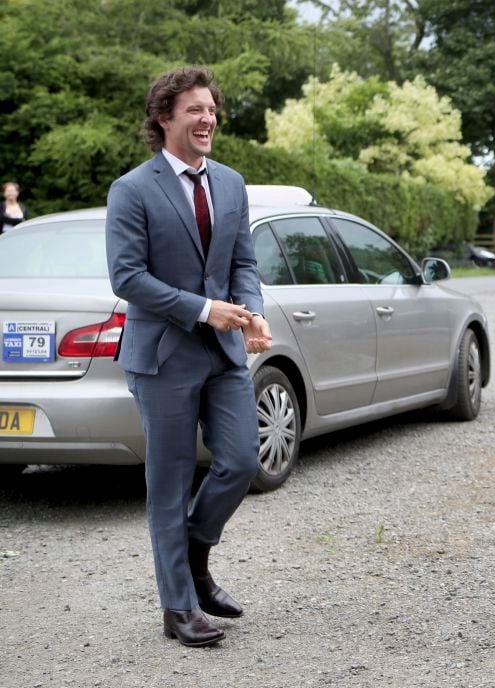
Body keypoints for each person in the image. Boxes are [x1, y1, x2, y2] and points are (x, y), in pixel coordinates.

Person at [105, 66, 272, 647]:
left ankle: (194, 555)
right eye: (195, 110)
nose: (208, 120)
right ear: (164, 119)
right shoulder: (132, 189)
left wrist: (251, 312)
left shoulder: (231, 183)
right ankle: (178, 607)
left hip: (223, 352)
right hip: (163, 356)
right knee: (169, 483)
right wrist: (204, 309)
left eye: (212, 110)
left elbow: (243, 263)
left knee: (241, 460)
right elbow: (127, 277)